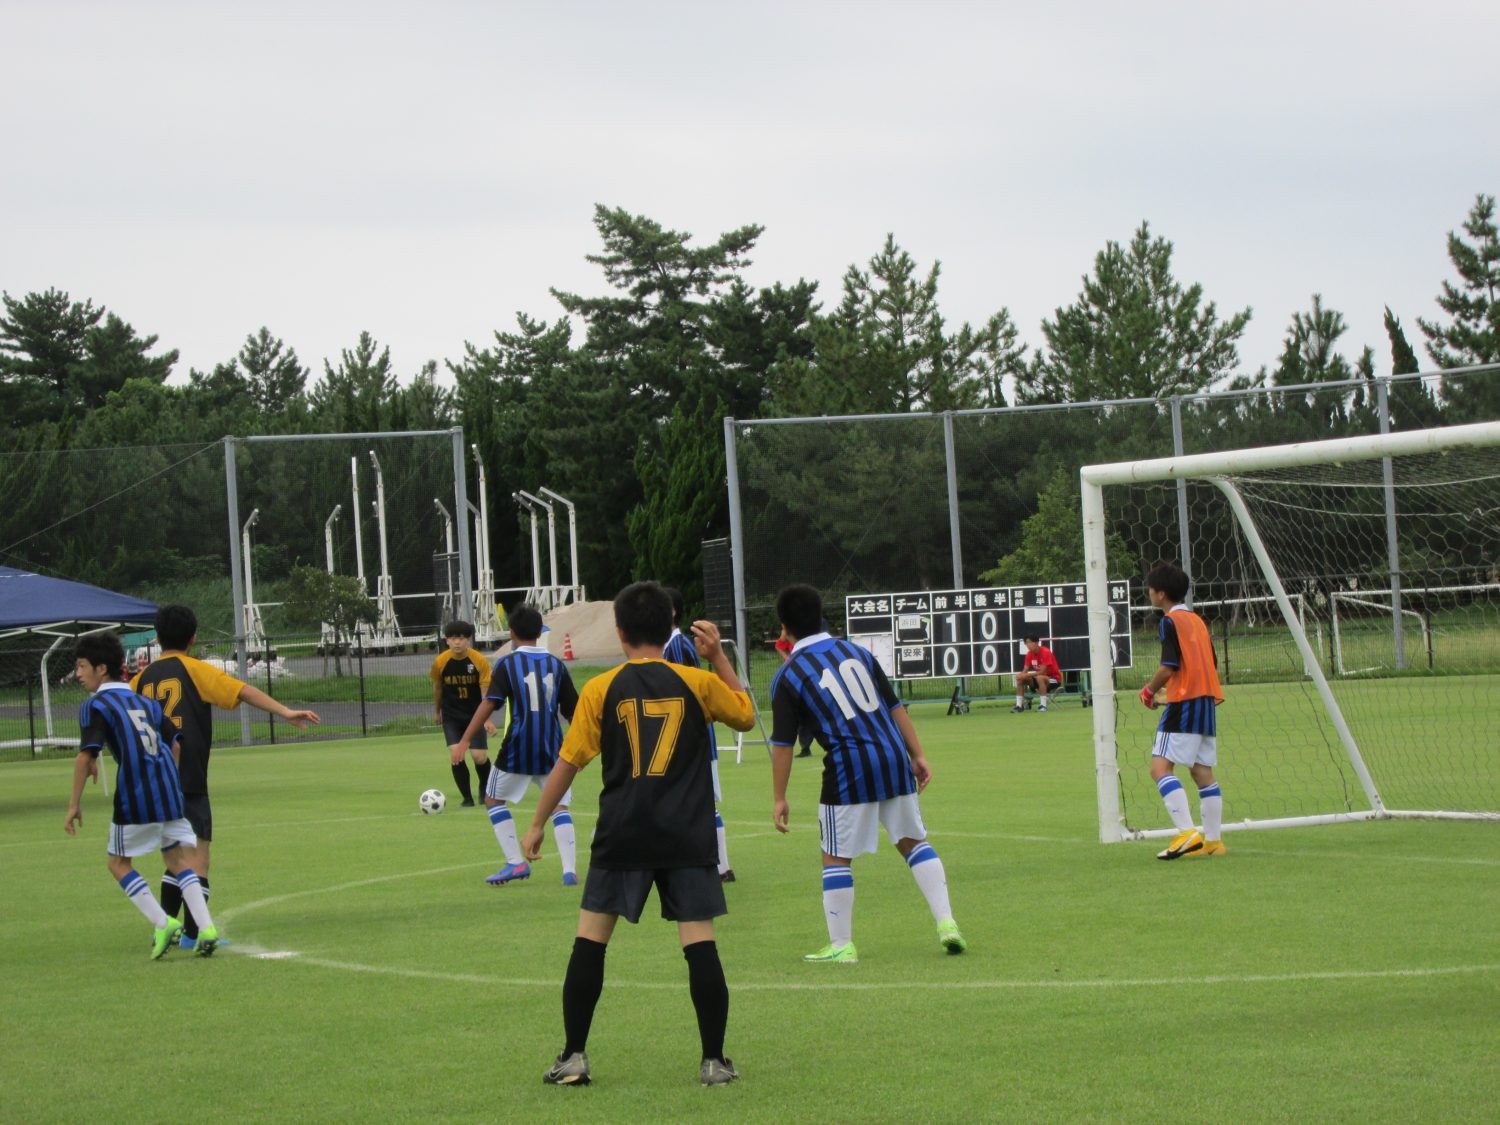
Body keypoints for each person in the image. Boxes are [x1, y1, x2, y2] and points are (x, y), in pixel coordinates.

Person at [520, 581, 756, 1088]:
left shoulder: (602, 689)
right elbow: (746, 716)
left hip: (623, 832)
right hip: (686, 836)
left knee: (590, 943)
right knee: (700, 944)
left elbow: (569, 762)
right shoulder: (696, 680)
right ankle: (714, 1061)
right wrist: (717, 658)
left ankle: (574, 1058)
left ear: (621, 632)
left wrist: (538, 822)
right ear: (671, 626)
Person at [769, 584, 965, 964]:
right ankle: (948, 924)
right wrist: (918, 754)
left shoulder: (790, 674)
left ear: (784, 628)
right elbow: (895, 707)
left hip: (848, 767)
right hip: (892, 756)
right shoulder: (857, 651)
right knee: (914, 842)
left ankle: (842, 944)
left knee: (835, 857)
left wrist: (779, 796)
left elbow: (782, 744)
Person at [132, 604, 320, 950]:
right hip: (188, 776)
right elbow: (242, 691)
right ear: (194, 637)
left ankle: (167, 927)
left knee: (173, 854)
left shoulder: (139, 680)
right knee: (197, 858)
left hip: (152, 780)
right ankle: (192, 934)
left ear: (156, 638)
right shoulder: (194, 670)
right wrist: (285, 711)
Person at [65, 632, 220, 958]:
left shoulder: (96, 704)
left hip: (135, 792)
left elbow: (84, 755)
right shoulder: (145, 701)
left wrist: (74, 804)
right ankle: (206, 928)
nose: (77, 674)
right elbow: (174, 744)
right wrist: (163, 778)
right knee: (177, 859)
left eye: (81, 666)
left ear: (101, 668)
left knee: (118, 863)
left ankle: (163, 922)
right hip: (169, 788)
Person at [456, 604, 579, 885]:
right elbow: (575, 712)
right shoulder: (556, 665)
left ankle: (515, 863)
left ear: (511, 633)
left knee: (492, 799)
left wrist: (465, 739)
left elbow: (489, 704)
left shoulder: (508, 664)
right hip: (553, 749)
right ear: (540, 632)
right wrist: (582, 748)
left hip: (519, 748)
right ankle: (569, 871)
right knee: (560, 806)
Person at [1139, 561, 1226, 860]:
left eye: (1150, 589)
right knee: (1202, 772)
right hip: (1206, 702)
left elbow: (1169, 665)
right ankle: (1213, 841)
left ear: (1160, 594)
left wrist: (1150, 690)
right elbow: (1210, 663)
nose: (1149, 594)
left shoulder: (1169, 621)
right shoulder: (1198, 620)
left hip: (1185, 703)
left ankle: (1187, 833)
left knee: (1159, 768)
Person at [661, 586, 734, 882]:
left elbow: (688, 693)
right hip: (689, 737)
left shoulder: (678, 646)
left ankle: (721, 866)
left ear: (673, 612)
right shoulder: (672, 645)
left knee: (704, 802)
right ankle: (712, 864)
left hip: (692, 738)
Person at [429, 620, 496, 808]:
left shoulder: (479, 661)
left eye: (461, 638)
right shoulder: (440, 662)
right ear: (447, 641)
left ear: (468, 640)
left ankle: (484, 790)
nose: (457, 642)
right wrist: (437, 712)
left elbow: (485, 693)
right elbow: (438, 689)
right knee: (456, 755)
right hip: (451, 717)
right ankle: (467, 798)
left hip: (475, 716)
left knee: (479, 757)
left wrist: (486, 719)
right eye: (452, 638)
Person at [775, 627, 818, 757]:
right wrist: (786, 656)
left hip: (809, 673)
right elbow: (779, 643)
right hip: (795, 673)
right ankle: (805, 747)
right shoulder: (790, 634)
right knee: (800, 714)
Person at [1012, 635, 1062, 713]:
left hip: (1053, 679)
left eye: (1029, 642)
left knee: (1040, 678)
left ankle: (1043, 706)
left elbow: (1043, 672)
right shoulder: (1029, 654)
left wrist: (1027, 675)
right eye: (1026, 643)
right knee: (1021, 679)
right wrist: (1021, 675)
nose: (1027, 645)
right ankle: (1019, 706)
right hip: (1039, 679)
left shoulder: (1045, 652)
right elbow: (1025, 670)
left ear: (1036, 643)